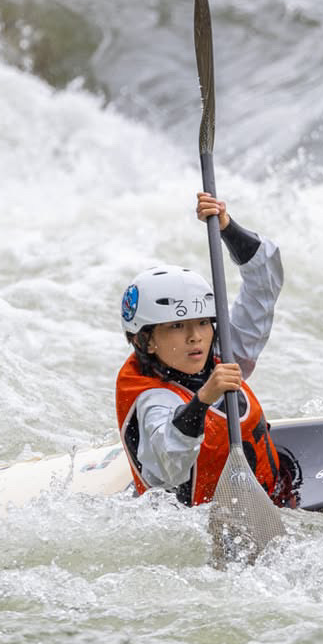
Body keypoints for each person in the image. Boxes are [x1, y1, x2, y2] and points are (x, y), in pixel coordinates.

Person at [114, 191, 294, 507]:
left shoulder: (219, 352)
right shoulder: (152, 399)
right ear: (146, 340)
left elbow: (264, 285)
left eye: (201, 323)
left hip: (273, 489)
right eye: (176, 326)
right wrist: (204, 399)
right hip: (204, 521)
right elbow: (170, 463)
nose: (195, 337)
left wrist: (226, 227)